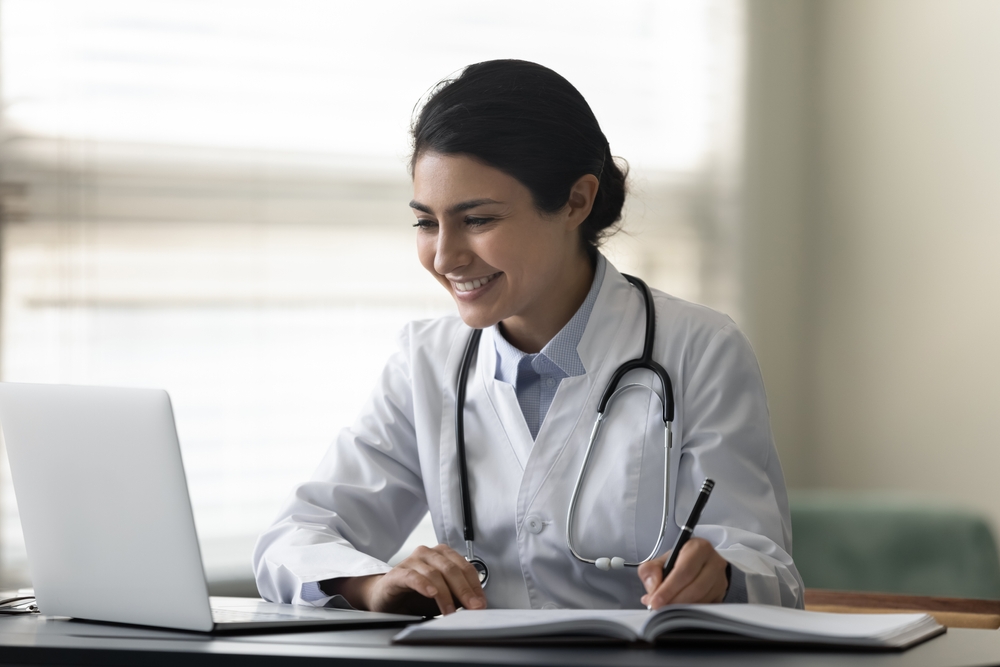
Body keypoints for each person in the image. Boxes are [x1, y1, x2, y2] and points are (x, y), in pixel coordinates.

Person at [253, 59, 804, 615]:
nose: (445, 257)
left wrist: (723, 575)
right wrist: (372, 585)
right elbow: (291, 541)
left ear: (576, 201)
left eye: (479, 220)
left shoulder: (698, 348)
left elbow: (771, 573)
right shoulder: (426, 361)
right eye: (426, 222)